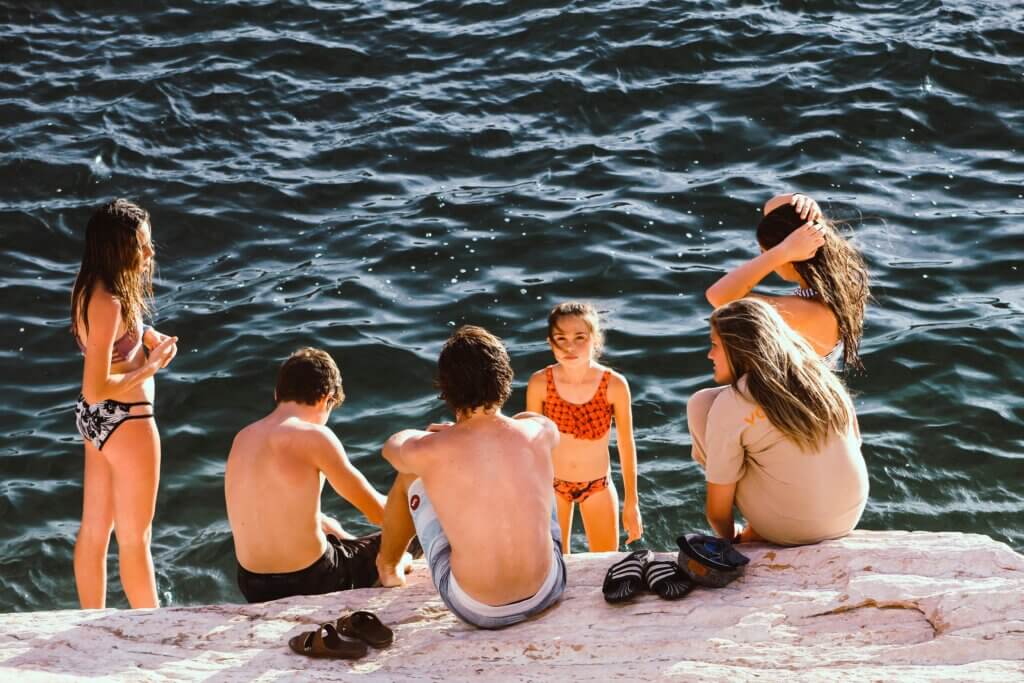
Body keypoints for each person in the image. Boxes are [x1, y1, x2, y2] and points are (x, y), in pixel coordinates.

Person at [374, 325, 567, 629]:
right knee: (536, 467)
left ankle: (388, 566)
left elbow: (391, 446)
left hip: (480, 609)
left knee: (409, 477)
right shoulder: (539, 431)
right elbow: (531, 423)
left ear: (446, 387)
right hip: (548, 589)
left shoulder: (430, 450)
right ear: (504, 378)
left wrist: (443, 436)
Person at [687, 298, 868, 546]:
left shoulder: (732, 404)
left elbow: (717, 512)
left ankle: (756, 531)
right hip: (849, 515)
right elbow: (854, 443)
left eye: (715, 345)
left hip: (790, 528)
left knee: (700, 405)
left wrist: (730, 540)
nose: (710, 355)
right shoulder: (821, 377)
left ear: (737, 348)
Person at [71, 199, 178, 609]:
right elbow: (97, 386)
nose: (150, 253)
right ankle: (152, 627)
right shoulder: (109, 303)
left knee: (95, 532)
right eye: (143, 245)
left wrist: (145, 334)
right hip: (126, 419)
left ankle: (89, 622)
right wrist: (149, 369)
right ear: (119, 248)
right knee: (136, 539)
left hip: (96, 422)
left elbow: (109, 343)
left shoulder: (88, 287)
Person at [225, 348, 387, 603]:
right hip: (311, 579)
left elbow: (277, 510)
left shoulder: (243, 437)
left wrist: (341, 534)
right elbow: (378, 513)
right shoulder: (314, 436)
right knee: (416, 523)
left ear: (277, 394)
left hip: (252, 584)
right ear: (326, 398)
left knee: (330, 526)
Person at [705, 192, 869, 371]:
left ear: (794, 256)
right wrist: (802, 201)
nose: (763, 257)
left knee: (702, 399)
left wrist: (782, 251)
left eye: (764, 252)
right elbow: (771, 208)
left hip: (793, 396)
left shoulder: (809, 311)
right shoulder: (842, 282)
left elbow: (719, 297)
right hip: (799, 387)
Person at [525, 302, 642, 553]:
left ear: (595, 340)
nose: (570, 346)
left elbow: (625, 444)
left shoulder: (614, 385)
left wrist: (632, 502)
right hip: (553, 485)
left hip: (597, 484)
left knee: (605, 563)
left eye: (580, 337)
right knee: (556, 564)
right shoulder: (540, 383)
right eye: (561, 338)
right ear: (550, 342)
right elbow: (532, 443)